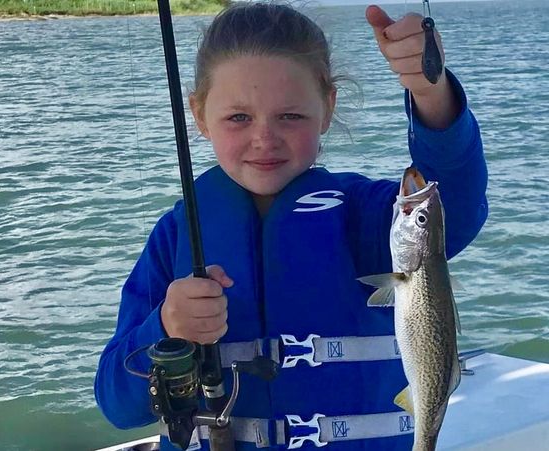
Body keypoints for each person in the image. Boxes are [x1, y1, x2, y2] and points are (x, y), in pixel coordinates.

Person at [94, 2, 488, 450]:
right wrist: (165, 327)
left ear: (327, 108)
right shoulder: (176, 236)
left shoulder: (368, 215)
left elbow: (451, 204)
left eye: (291, 116)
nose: (264, 137)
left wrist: (431, 95)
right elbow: (116, 403)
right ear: (200, 116)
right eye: (239, 117)